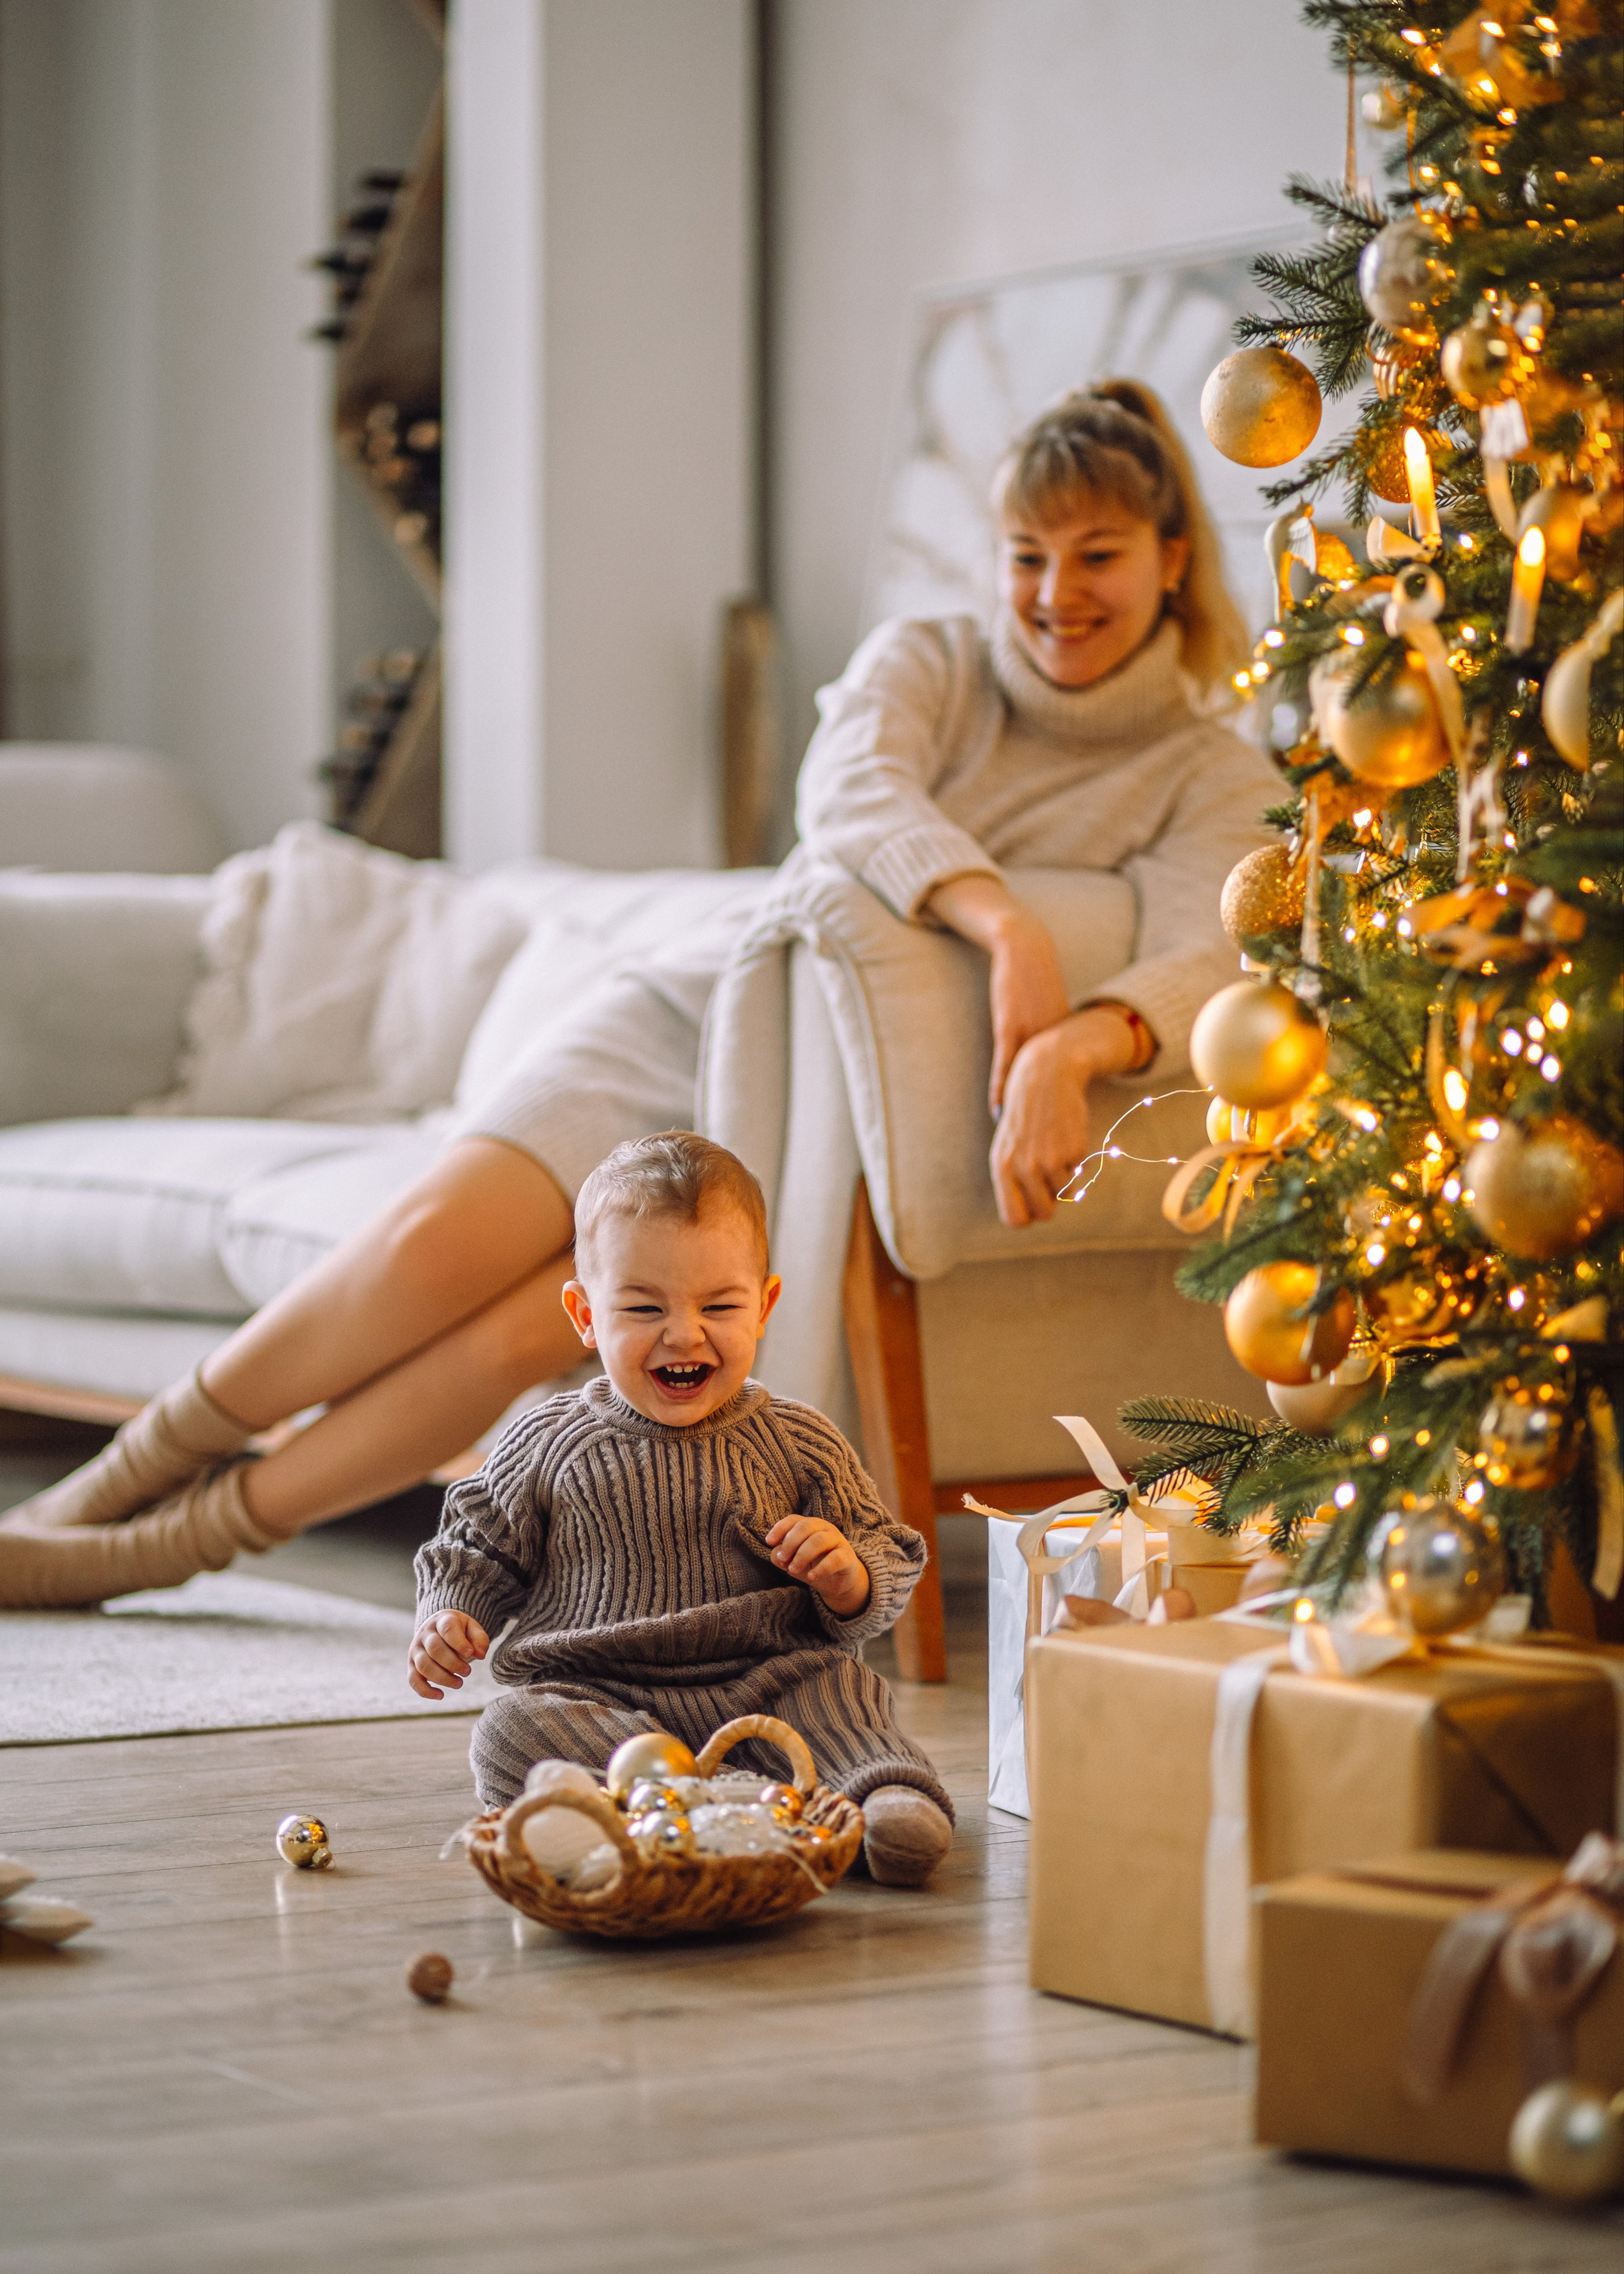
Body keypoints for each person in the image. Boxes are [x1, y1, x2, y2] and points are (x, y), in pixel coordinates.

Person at [0, 379, 1272, 1607]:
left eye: (1093, 556)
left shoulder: (1204, 768)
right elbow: (847, 799)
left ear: (1170, 559)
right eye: (1022, 557)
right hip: (688, 1007)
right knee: (425, 1243)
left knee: (522, 1337)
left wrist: (1069, 1050)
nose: (1053, 597)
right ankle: (106, 1489)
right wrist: (1007, 933)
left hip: (774, 1106)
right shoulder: (930, 662)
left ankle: (167, 1551)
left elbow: (1209, 946)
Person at [409, 1131, 953, 1886]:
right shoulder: (545, 1440)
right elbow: (475, 1545)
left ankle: (881, 1793)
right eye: (642, 1305)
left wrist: (846, 1573)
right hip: (602, 1693)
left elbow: (884, 1551)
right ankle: (683, 1802)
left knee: (844, 1698)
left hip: (769, 1679)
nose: (684, 1332)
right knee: (511, 1729)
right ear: (585, 1314)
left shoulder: (798, 1440)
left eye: (719, 1304)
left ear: (763, 1306)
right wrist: (450, 1611)